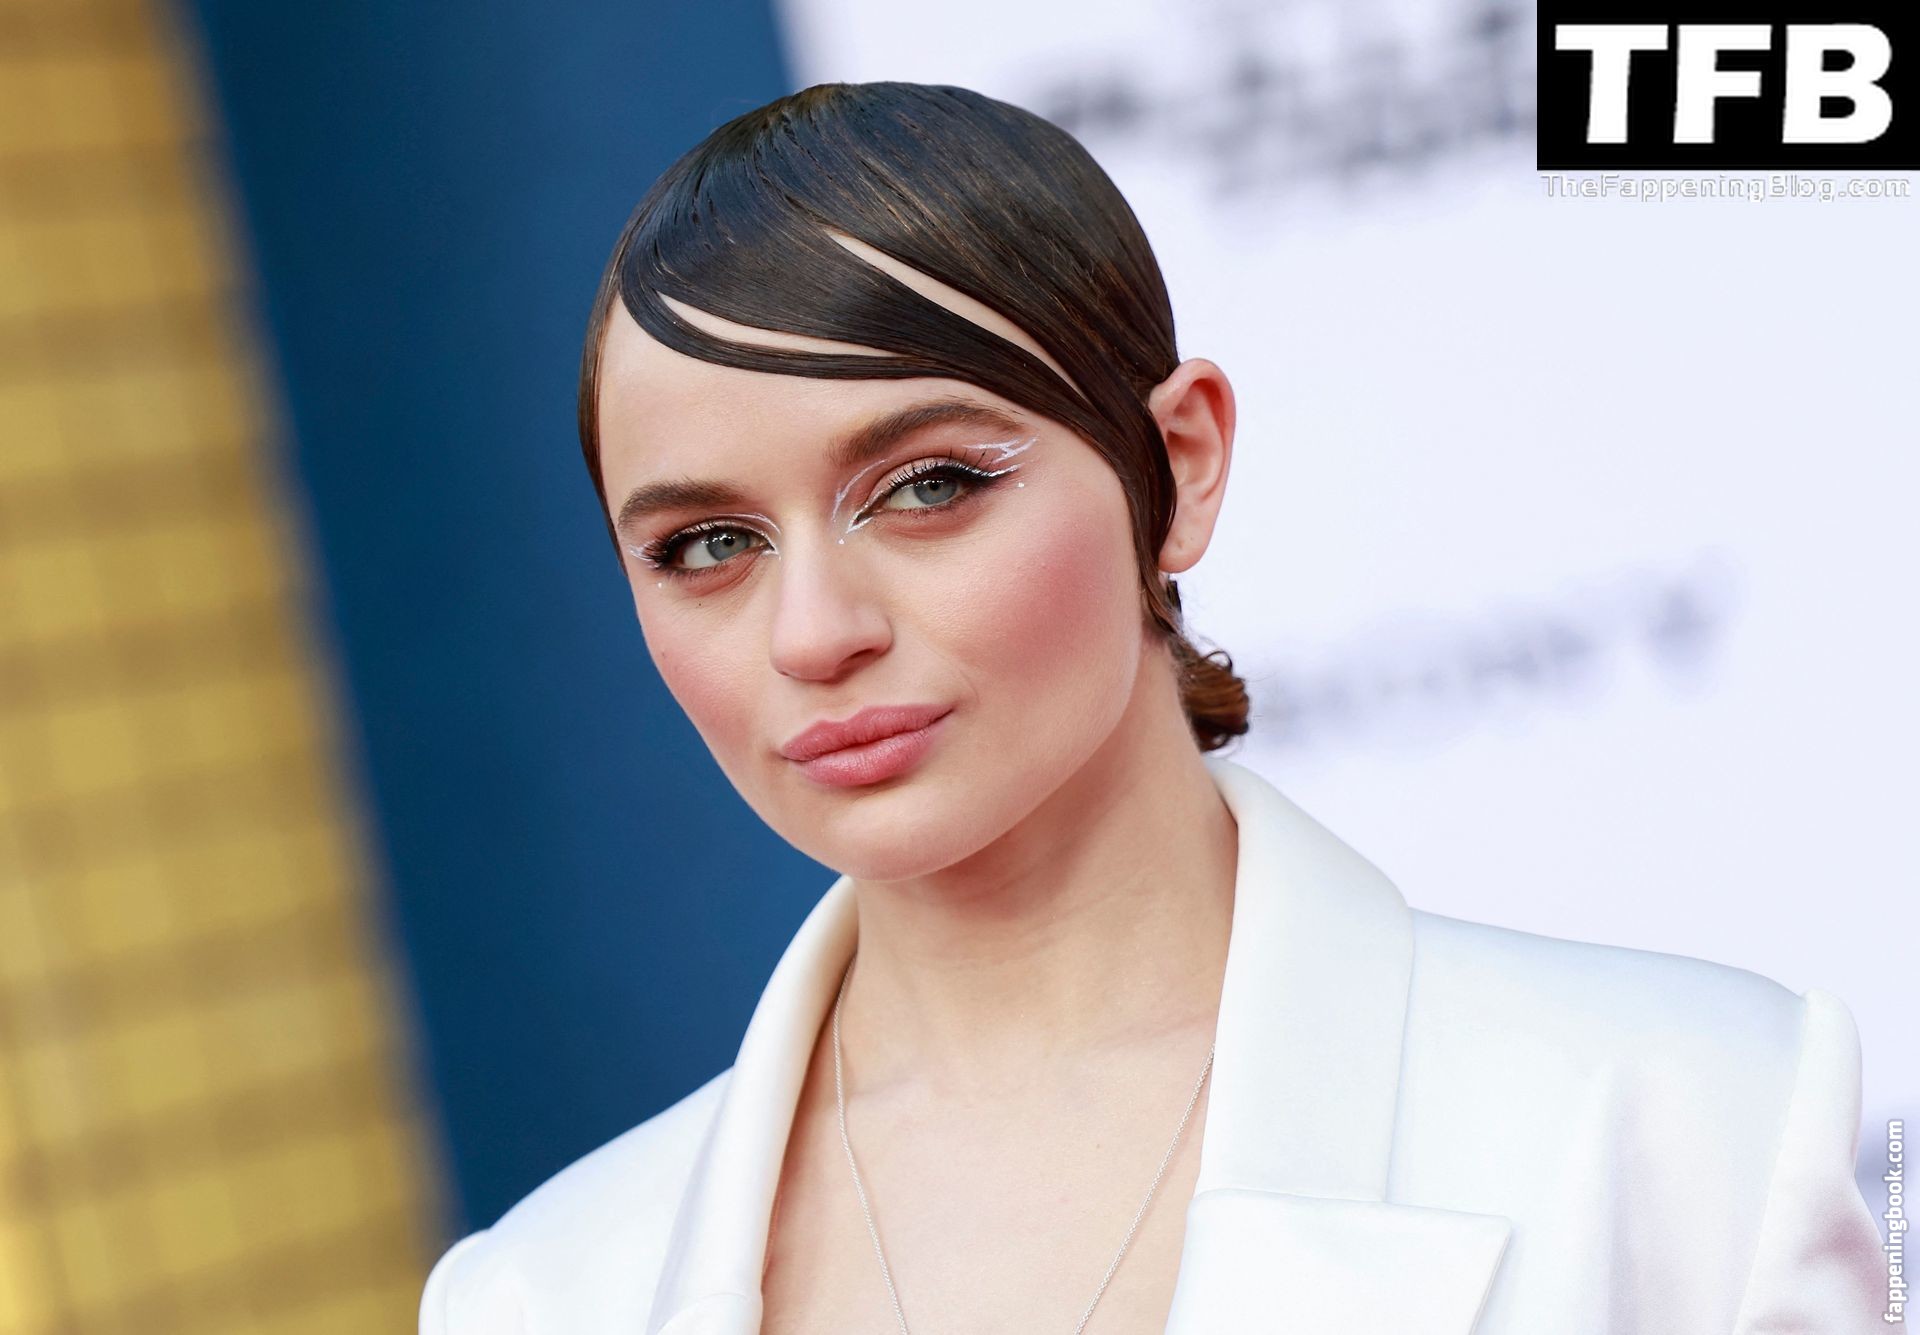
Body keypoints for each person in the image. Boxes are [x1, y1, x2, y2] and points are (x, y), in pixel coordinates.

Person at [420, 82, 1887, 1335]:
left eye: (928, 485)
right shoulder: (541, 1298)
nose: (813, 633)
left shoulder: (1687, 1130)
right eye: (706, 547)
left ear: (1177, 464)